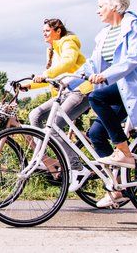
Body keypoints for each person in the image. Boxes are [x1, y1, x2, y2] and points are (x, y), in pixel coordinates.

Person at [82, 0, 137, 208]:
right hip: (118, 88)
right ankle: (117, 188)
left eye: (101, 6)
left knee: (96, 97)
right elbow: (92, 64)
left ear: (114, 7)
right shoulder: (104, 34)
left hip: (134, 86)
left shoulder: (134, 26)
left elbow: (132, 59)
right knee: (95, 134)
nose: (97, 10)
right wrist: (64, 79)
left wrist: (105, 75)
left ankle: (124, 152)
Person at [21, 18, 92, 171]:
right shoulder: (51, 50)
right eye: (43, 32)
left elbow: (68, 63)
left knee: (54, 127)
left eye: (47, 31)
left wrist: (45, 74)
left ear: (57, 31)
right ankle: (41, 156)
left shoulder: (68, 43)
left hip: (80, 90)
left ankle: (76, 168)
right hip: (64, 92)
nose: (44, 34)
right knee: (35, 115)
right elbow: (52, 77)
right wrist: (29, 85)